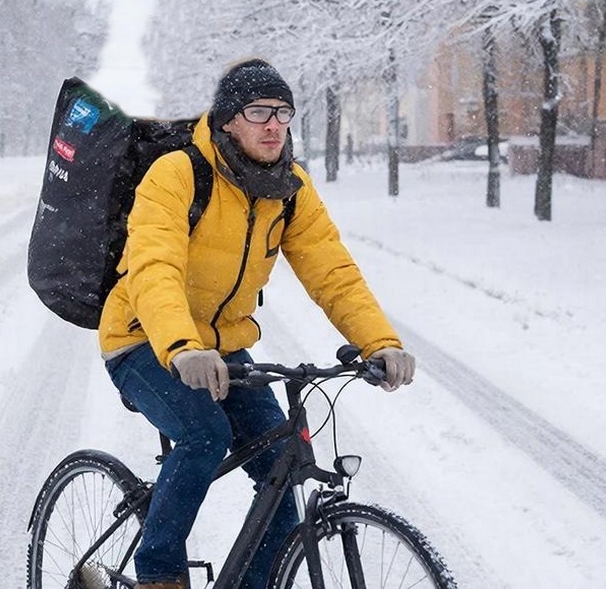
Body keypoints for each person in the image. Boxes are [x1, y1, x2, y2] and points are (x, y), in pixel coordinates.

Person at [99, 58, 416, 589]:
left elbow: (331, 271)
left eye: (283, 113)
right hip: (143, 339)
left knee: (281, 466)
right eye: (259, 112)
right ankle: (158, 574)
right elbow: (154, 266)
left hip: (221, 348)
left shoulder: (289, 189)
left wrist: (379, 342)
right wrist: (180, 346)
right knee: (204, 434)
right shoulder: (178, 173)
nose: (274, 125)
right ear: (228, 121)